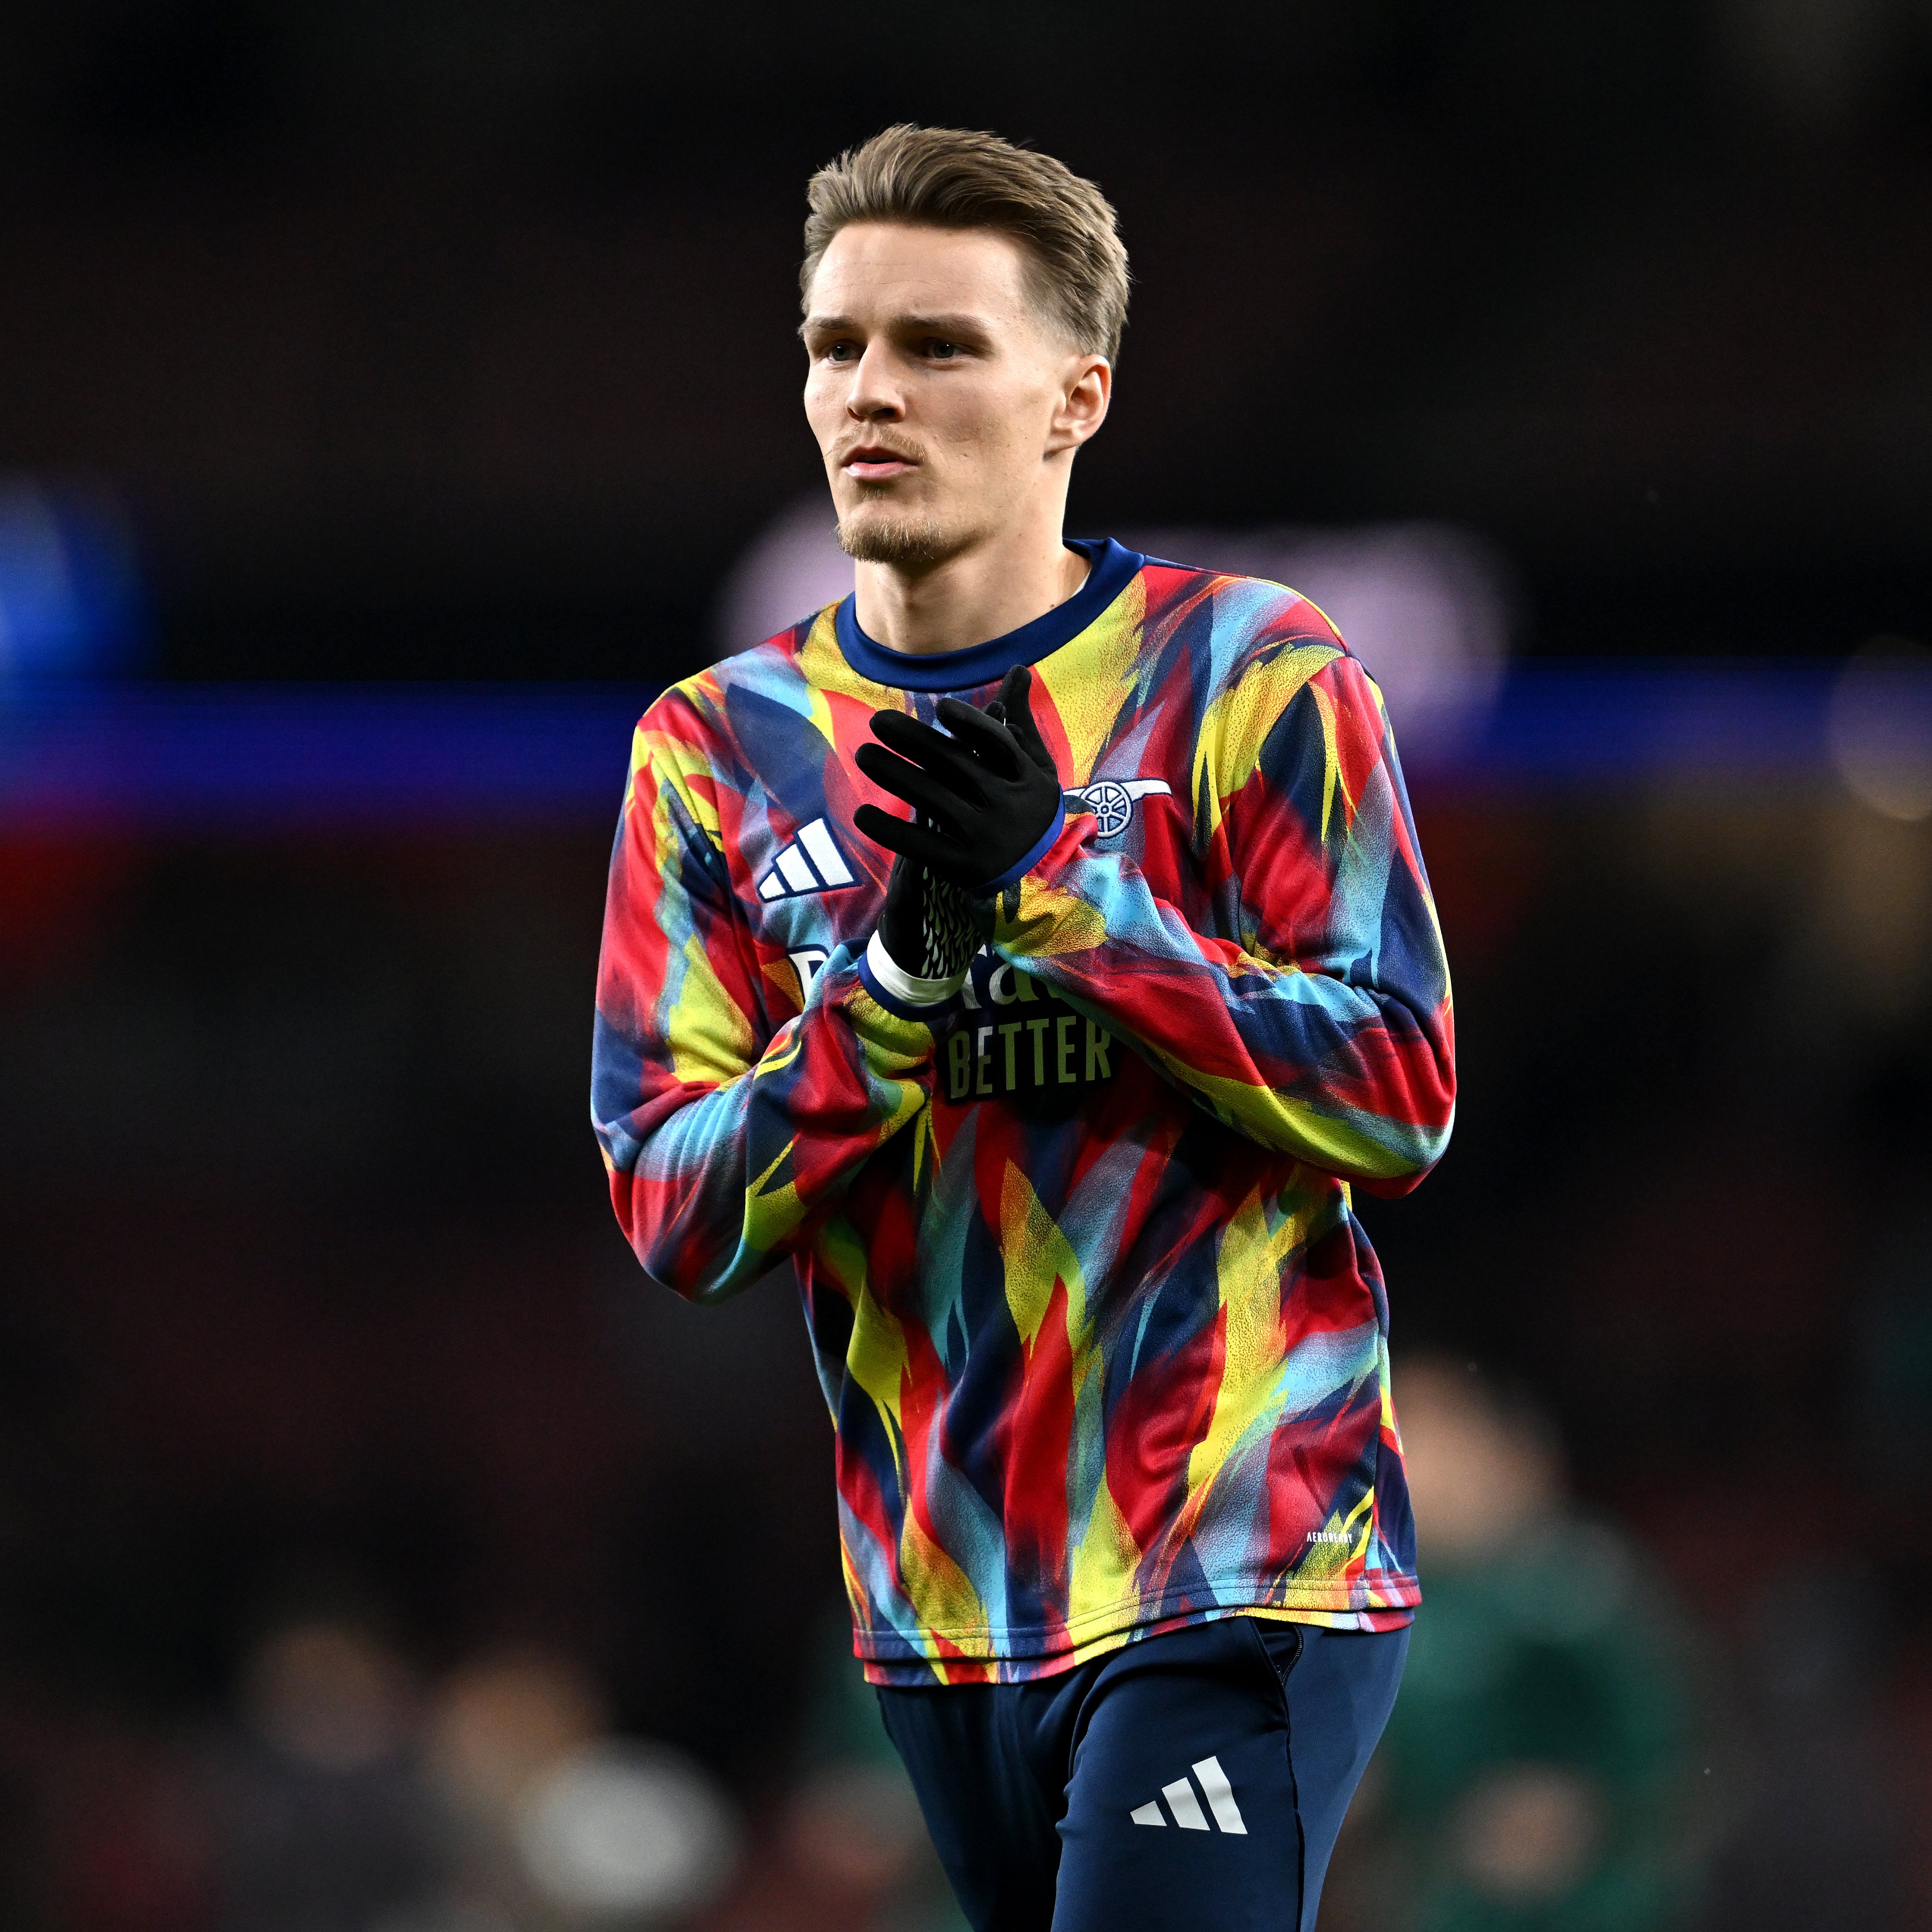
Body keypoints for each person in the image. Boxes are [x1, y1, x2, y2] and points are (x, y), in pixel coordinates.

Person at [591, 125, 1455, 1932]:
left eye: (939, 346)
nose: (869, 393)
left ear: (1078, 396)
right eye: (838, 347)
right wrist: (898, 983)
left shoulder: (1251, 673)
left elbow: (1398, 1091)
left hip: (1238, 1557)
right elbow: (676, 1208)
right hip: (939, 1601)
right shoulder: (716, 747)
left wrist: (1063, 893)